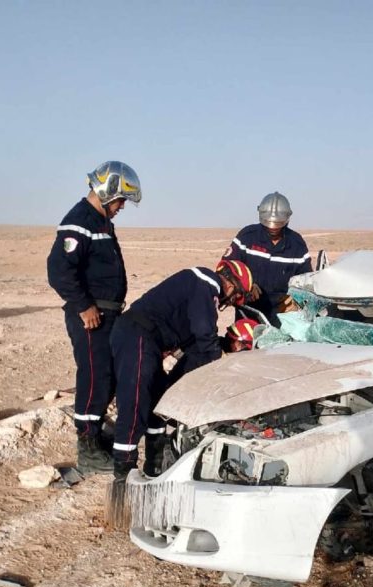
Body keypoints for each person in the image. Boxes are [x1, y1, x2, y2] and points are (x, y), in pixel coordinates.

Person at [109, 260, 253, 480]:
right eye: (236, 296)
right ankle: (123, 468)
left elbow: (196, 344)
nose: (231, 301)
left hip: (150, 341)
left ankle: (155, 461)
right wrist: (219, 358)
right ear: (231, 284)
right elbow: (204, 332)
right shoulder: (206, 282)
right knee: (136, 398)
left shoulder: (199, 293)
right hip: (137, 333)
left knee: (158, 398)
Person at [47, 161, 141, 475]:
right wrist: (83, 305)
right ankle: (87, 448)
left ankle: (97, 436)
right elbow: (59, 271)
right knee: (94, 377)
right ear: (107, 192)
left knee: (108, 376)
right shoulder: (79, 221)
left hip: (107, 314)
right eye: (120, 200)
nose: (121, 207)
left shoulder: (101, 222)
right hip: (91, 316)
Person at [221, 192, 312, 325]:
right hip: (249, 311)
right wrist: (246, 286)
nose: (273, 228)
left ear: (287, 219)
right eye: (268, 223)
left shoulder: (297, 244)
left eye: (278, 224)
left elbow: (307, 281)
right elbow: (226, 269)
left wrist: (297, 301)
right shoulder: (247, 237)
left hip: (283, 316)